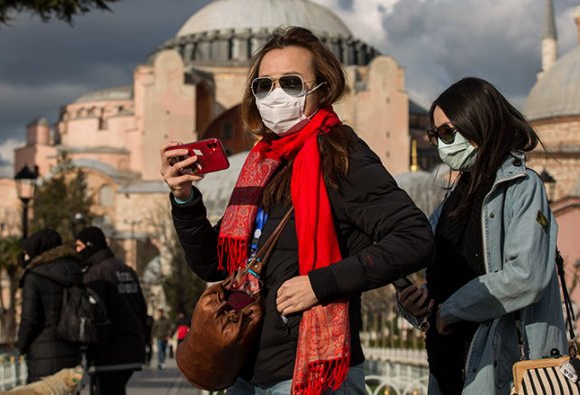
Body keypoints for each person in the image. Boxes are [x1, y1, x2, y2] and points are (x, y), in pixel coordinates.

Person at [160, 26, 434, 394]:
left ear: (323, 88)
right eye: (264, 85)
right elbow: (215, 264)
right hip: (247, 364)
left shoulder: (341, 154)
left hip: (309, 371)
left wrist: (320, 285)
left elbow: (414, 238)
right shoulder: (262, 163)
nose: (275, 95)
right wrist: (184, 199)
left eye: (290, 83)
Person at [397, 77, 567, 395]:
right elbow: (445, 286)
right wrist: (417, 305)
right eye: (436, 136)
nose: (442, 144)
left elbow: (525, 277)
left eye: (448, 132)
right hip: (448, 368)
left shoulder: (521, 186)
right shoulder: (450, 204)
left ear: (478, 122)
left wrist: (450, 310)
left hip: (503, 371)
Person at [75, 226, 147, 395]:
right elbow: (141, 309)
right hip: (131, 349)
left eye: (79, 246)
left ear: (90, 245)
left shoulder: (95, 274)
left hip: (108, 351)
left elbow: (94, 314)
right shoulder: (127, 270)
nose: (77, 251)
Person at [17, 229, 82, 383]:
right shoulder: (76, 271)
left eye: (27, 252)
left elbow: (30, 319)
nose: (25, 257)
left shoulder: (34, 277)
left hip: (42, 352)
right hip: (72, 350)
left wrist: (21, 346)